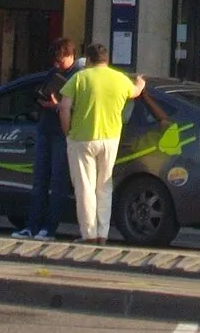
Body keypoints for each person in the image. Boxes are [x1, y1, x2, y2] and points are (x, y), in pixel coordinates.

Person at [56, 42, 144, 245]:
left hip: (82, 138)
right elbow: (135, 92)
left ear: (88, 60)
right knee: (104, 186)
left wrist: (67, 131)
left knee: (85, 187)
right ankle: (103, 234)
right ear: (107, 59)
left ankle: (89, 234)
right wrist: (140, 82)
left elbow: (64, 107)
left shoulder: (80, 77)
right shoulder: (119, 79)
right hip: (110, 138)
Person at [13, 37, 78, 240]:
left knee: (57, 181)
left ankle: (49, 228)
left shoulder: (77, 76)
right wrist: (42, 99)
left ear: (71, 56)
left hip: (62, 131)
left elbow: (77, 107)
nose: (57, 65)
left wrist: (57, 105)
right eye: (55, 62)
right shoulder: (53, 73)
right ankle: (32, 226)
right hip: (46, 128)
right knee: (39, 179)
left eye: (60, 61)